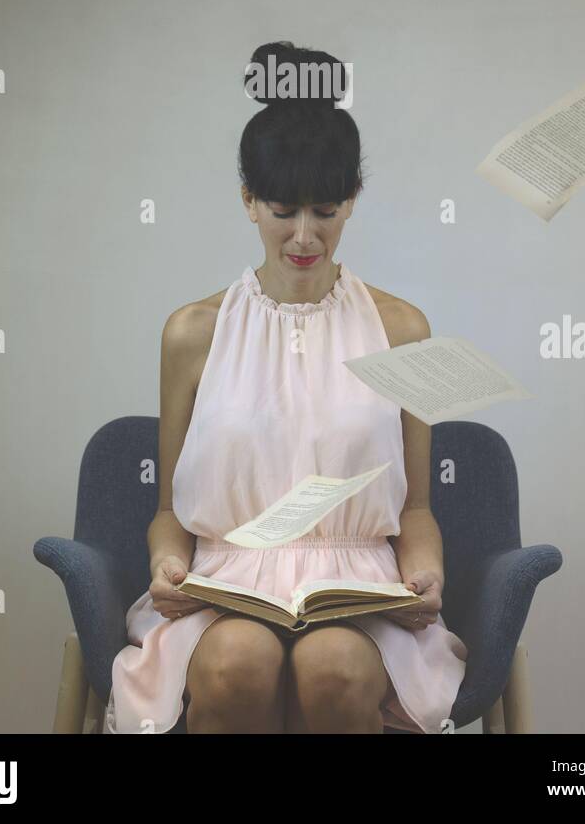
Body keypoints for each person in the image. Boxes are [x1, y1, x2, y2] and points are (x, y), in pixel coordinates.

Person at [105, 41, 468, 733]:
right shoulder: (192, 332)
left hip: (358, 597)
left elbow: (416, 510)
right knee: (235, 664)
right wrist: (166, 563)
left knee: (333, 669)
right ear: (247, 200)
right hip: (224, 594)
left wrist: (427, 577)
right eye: (282, 210)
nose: (305, 235)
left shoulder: (403, 330)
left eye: (326, 211)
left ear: (353, 202)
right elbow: (170, 513)